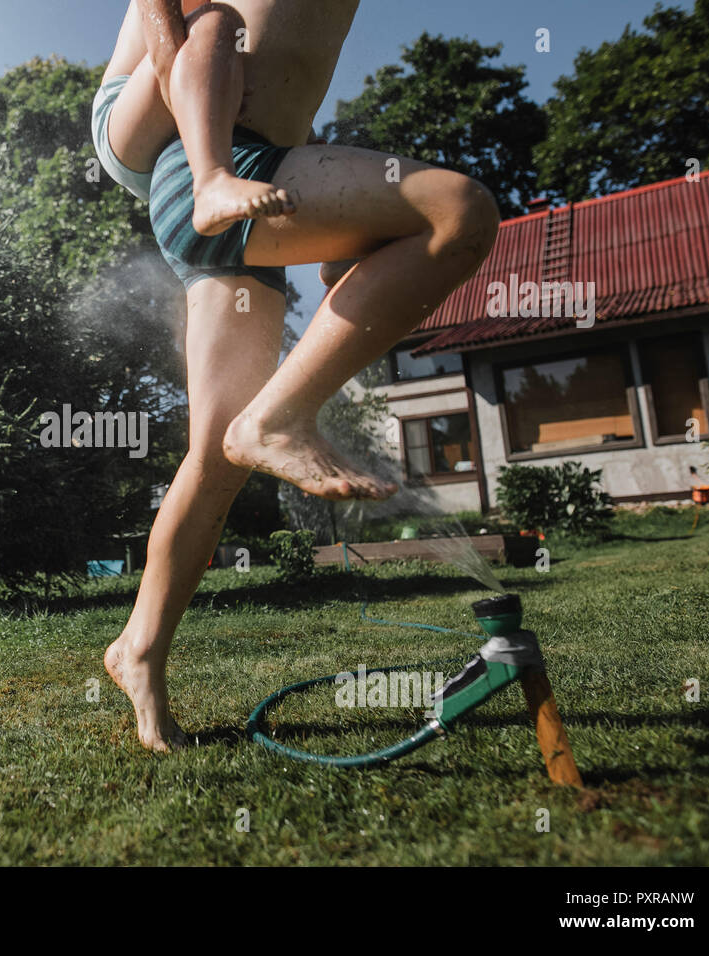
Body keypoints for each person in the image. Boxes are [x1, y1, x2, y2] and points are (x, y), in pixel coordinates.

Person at [92, 0, 501, 751]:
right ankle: (279, 417)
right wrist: (195, 126)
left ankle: (138, 652)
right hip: (198, 159)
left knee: (215, 458)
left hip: (239, 189)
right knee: (458, 212)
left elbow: (290, 71)